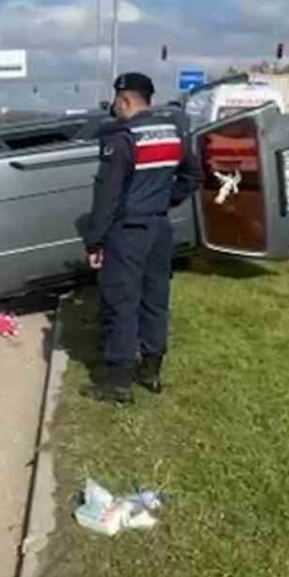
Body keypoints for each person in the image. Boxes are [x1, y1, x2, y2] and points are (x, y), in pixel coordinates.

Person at [80, 73, 197, 402]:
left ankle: (117, 383)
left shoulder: (122, 138)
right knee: (155, 300)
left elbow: (108, 197)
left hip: (127, 232)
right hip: (159, 230)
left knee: (122, 302)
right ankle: (151, 371)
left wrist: (95, 241)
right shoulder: (173, 134)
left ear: (126, 100)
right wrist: (166, 200)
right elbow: (192, 176)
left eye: (116, 101)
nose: (114, 107)